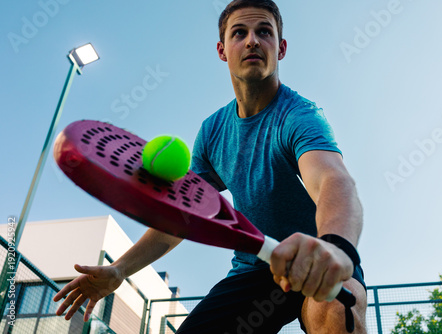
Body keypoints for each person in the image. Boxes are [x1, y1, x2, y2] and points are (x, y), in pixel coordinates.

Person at [54, 1, 367, 332]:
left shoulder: (301, 116)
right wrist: (119, 270)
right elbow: (182, 215)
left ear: (281, 47)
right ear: (222, 50)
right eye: (239, 33)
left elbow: (332, 180)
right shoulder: (214, 131)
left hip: (314, 259)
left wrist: (338, 249)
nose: (252, 41)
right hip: (255, 268)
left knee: (337, 312)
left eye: (264, 32)